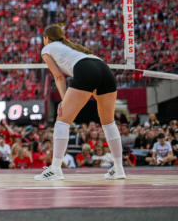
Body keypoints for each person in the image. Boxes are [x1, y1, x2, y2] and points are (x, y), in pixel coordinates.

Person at [35, 25, 125, 181]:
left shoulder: (47, 48)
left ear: (46, 38)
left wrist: (64, 101)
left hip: (86, 69)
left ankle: (56, 169)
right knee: (109, 123)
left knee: (62, 121)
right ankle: (119, 169)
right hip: (104, 69)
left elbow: (59, 77)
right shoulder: (72, 47)